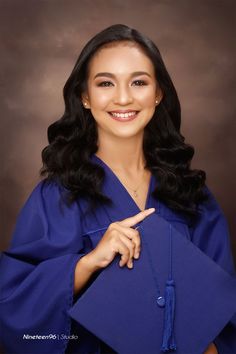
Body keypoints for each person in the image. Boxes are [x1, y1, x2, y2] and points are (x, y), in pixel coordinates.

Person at [0, 24, 235, 354]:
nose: (123, 97)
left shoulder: (192, 196)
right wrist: (88, 263)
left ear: (158, 93)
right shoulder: (57, 196)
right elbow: (12, 306)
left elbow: (226, 308)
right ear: (85, 96)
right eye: (105, 83)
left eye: (138, 82)